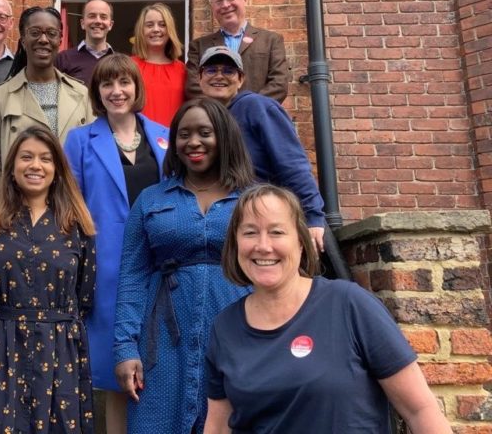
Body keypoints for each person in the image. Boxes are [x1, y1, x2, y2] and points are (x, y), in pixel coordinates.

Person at [204, 184, 451, 434]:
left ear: (301, 243)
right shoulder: (225, 327)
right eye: (250, 233)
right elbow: (217, 427)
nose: (263, 245)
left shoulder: (350, 304)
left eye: (277, 232)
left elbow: (419, 409)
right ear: (236, 244)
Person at [113, 97, 255, 434]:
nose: (193, 142)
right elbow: (132, 277)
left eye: (204, 132)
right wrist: (124, 348)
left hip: (238, 333)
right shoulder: (151, 199)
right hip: (160, 342)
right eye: (183, 134)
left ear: (224, 137)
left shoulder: (253, 199)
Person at [0, 126, 97, 433]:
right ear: (12, 167)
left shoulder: (77, 225)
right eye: (26, 157)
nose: (35, 165)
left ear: (57, 170)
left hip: (59, 348)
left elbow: (84, 295)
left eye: (45, 159)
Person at [64, 54, 169, 434]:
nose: (116, 91)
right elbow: (70, 205)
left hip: (160, 262)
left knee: (162, 361)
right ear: (97, 92)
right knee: (116, 375)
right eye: (107, 84)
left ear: (136, 88)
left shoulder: (164, 136)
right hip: (106, 266)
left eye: (124, 82)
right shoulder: (79, 140)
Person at [198, 45, 326, 251]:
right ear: (200, 78)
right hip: (228, 223)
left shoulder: (257, 107)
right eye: (211, 70)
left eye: (228, 71)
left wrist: (313, 217)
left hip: (265, 217)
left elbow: (292, 163)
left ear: (240, 80)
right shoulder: (202, 119)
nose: (219, 76)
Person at [0, 6, 94, 179]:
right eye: (35, 32)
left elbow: (92, 158)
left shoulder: (81, 94)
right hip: (19, 201)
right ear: (22, 40)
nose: (43, 39)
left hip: (70, 199)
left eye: (51, 33)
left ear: (60, 39)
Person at [186, 0, 288, 102]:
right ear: (212, 7)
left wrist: (247, 108)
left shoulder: (271, 41)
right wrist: (220, 112)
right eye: (219, 1)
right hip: (216, 120)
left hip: (256, 118)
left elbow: (279, 84)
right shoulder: (199, 46)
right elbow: (193, 87)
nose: (225, 5)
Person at [130, 3, 186, 126]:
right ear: (141, 30)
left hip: (173, 138)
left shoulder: (182, 69)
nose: (156, 29)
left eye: (162, 25)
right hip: (139, 138)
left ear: (170, 30)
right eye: (149, 25)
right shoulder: (129, 66)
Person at [55, 0, 115, 85]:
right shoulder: (62, 59)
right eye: (92, 16)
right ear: (82, 23)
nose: (98, 21)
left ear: (110, 25)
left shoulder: (120, 62)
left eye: (103, 17)